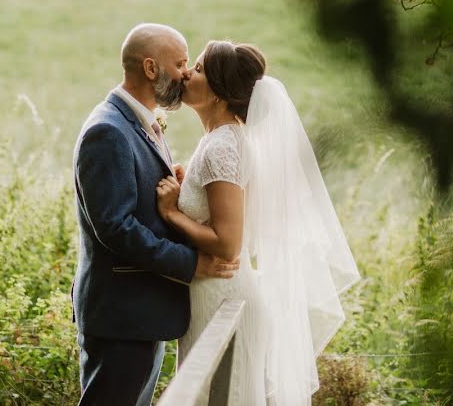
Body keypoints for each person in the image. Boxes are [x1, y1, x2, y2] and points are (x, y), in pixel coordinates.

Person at [156, 40, 360, 405]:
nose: (187, 72)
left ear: (218, 93)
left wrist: (172, 213)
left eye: (199, 69)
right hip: (211, 294)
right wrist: (189, 187)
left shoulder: (224, 145)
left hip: (222, 296)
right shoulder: (220, 140)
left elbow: (228, 243)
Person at [72, 24, 238, 406]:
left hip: (142, 309)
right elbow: (116, 227)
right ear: (151, 68)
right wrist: (190, 263)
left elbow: (137, 204)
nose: (185, 73)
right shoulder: (108, 130)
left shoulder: (140, 122)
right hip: (122, 316)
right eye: (181, 62)